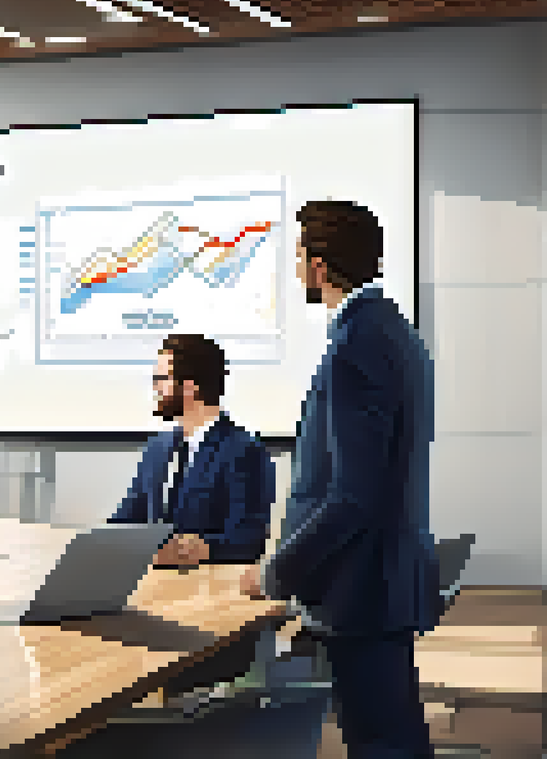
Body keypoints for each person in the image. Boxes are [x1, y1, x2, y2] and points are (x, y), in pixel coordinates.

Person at [241, 200, 440, 759]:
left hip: (362, 589)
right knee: (393, 736)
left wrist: (278, 572)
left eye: (300, 257)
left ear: (321, 266)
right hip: (380, 583)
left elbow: (352, 496)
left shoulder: (356, 345)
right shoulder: (394, 331)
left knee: (381, 743)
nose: (297, 269)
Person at [110, 334, 275, 566]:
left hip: (208, 590)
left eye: (162, 378)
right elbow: (125, 520)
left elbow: (248, 540)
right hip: (150, 585)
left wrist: (197, 549)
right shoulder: (158, 448)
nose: (155, 387)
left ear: (191, 387)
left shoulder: (244, 450)